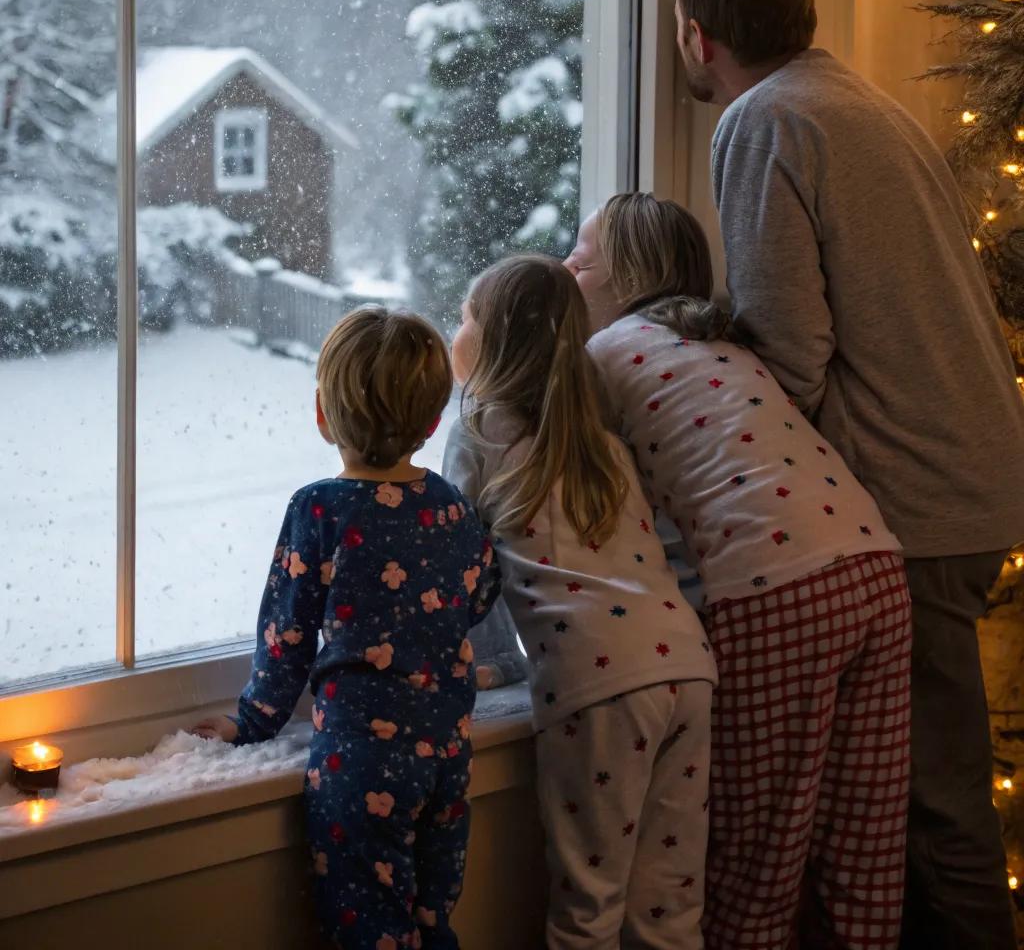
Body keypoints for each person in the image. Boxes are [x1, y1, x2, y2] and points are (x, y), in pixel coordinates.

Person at [672, 0, 1024, 950]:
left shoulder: (765, 122)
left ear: (696, 35)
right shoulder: (858, 99)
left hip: (916, 502)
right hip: (972, 473)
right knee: (905, 802)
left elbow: (788, 349)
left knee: (933, 803)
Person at [567, 191, 912, 949]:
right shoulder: (724, 345)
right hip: (875, 566)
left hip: (776, 591)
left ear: (626, 277)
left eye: (581, 260)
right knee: (864, 837)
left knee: (759, 848)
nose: (567, 269)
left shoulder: (605, 355)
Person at [192, 306, 500, 950]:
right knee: (430, 918)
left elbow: (287, 637)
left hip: (363, 764)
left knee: (371, 932)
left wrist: (251, 723)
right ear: (433, 420)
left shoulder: (320, 508)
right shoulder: (450, 505)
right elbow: (480, 593)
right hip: (447, 753)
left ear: (322, 414)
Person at [446, 254, 717, 950]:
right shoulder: (605, 446)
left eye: (465, 316)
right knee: (669, 909)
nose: (456, 328)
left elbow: (460, 575)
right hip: (687, 667)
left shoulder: (480, 435)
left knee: (587, 912)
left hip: (599, 685)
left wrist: (480, 663)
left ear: (493, 340)